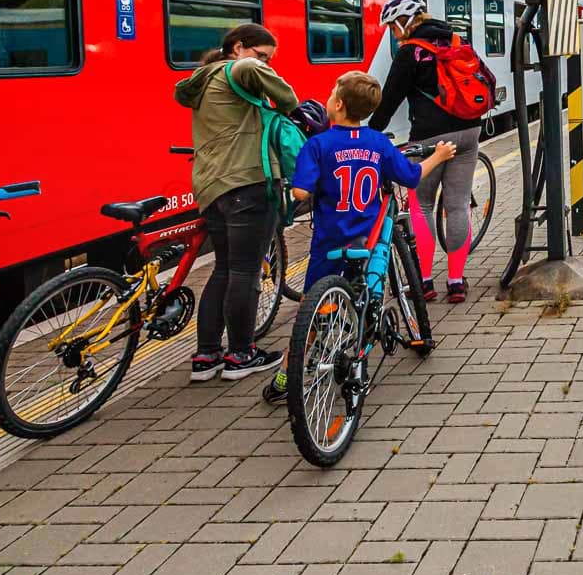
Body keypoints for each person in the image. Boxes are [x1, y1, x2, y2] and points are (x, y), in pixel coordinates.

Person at [262, 71, 455, 403]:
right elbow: (409, 177)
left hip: (329, 242)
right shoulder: (378, 143)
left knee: (312, 306)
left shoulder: (317, 145)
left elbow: (299, 191)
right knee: (363, 290)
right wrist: (437, 156)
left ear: (337, 104)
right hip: (367, 239)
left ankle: (286, 376)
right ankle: (361, 337)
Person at [175, 24, 299, 381]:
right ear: (238, 47)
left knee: (224, 269)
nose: (265, 64)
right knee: (245, 271)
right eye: (263, 56)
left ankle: (206, 355)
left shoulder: (206, 78)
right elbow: (287, 99)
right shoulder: (240, 68)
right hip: (248, 183)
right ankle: (241, 354)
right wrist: (277, 91)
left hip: (212, 188)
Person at [368, 0, 481, 304]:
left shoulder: (412, 51)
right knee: (457, 206)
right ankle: (456, 282)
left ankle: (425, 281)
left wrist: (370, 133)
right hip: (469, 132)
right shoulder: (456, 41)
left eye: (393, 26)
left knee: (423, 206)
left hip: (430, 138)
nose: (393, 33)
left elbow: (390, 99)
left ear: (405, 20)